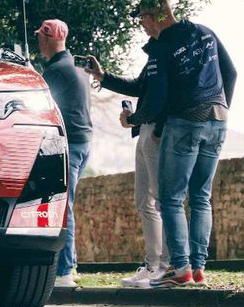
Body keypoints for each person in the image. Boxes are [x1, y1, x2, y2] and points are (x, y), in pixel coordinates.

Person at [124, 0, 236, 288]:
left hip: (185, 122)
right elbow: (231, 73)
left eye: (142, 21)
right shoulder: (205, 33)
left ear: (150, 18)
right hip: (218, 119)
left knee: (170, 198)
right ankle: (198, 269)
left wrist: (134, 120)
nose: (144, 27)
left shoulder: (161, 47)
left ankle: (181, 268)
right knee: (201, 197)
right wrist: (222, 108)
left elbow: (158, 96)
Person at [85, 34, 168, 288]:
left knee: (162, 201)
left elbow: (165, 96)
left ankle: (165, 267)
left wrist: (145, 124)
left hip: (156, 132)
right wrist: (102, 76)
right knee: (144, 201)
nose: (141, 23)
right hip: (144, 130)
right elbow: (139, 87)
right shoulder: (154, 55)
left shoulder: (167, 51)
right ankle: (153, 265)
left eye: (143, 17)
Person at [33, 20, 93, 288]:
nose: (38, 42)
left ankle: (64, 272)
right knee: (65, 203)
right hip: (83, 143)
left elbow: (39, 106)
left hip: (66, 143)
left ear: (46, 39)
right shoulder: (76, 69)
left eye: (40, 37)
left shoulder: (56, 71)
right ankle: (70, 265)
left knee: (61, 205)